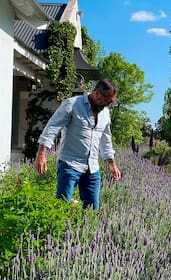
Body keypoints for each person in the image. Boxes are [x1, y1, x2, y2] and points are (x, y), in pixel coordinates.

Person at [33, 79, 122, 210]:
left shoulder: (105, 113)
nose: (108, 104)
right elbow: (52, 127)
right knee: (61, 206)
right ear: (97, 93)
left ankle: (87, 230)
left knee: (92, 209)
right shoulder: (72, 104)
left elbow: (105, 139)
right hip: (70, 164)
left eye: (111, 102)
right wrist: (41, 153)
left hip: (92, 168)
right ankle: (59, 230)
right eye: (108, 100)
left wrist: (112, 164)